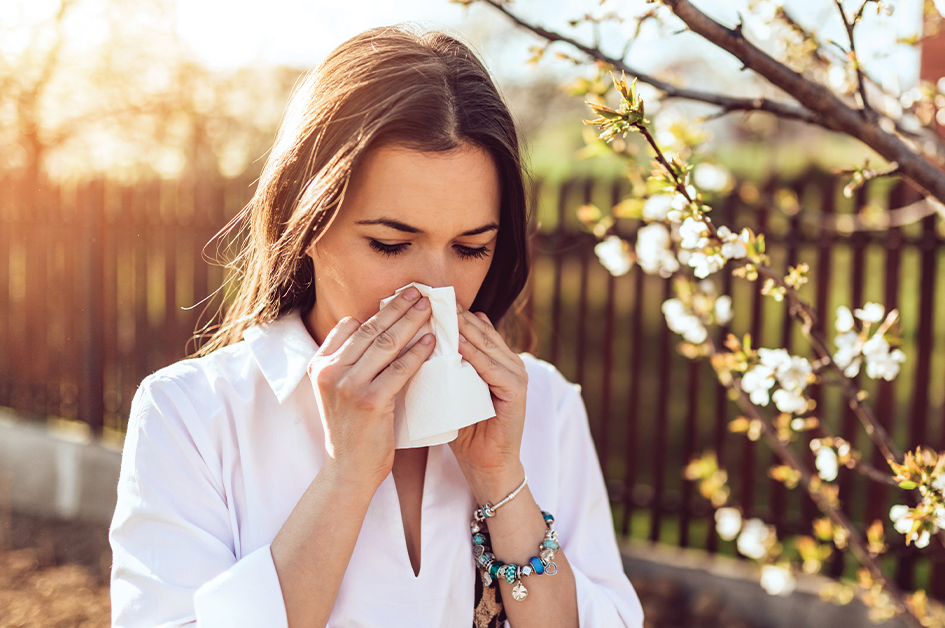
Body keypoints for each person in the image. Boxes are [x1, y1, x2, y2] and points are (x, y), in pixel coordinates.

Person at [108, 24, 645, 628]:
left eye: (471, 248)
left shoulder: (541, 405)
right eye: (391, 244)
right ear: (303, 221)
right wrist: (346, 479)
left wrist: (502, 482)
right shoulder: (193, 416)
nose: (434, 289)